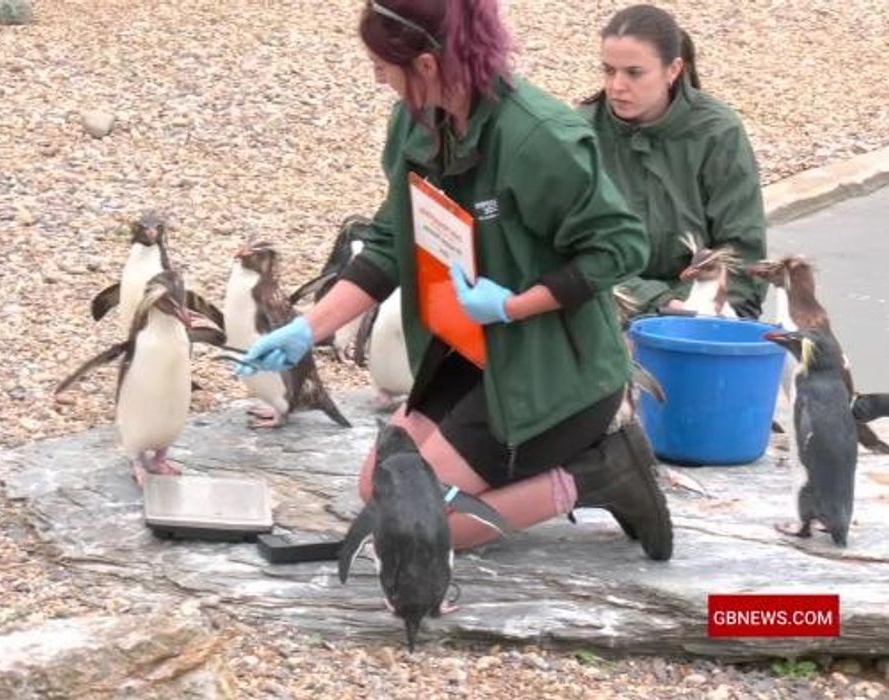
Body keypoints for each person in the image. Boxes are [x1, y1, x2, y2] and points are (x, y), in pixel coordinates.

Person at [236, 0, 673, 560]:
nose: (378, 77)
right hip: (470, 353)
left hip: (551, 373)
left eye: (383, 66)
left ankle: (603, 472)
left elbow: (622, 246)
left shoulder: (537, 139)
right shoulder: (419, 120)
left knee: (409, 526)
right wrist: (307, 329)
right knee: (378, 492)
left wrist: (513, 306)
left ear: (425, 65)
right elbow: (391, 241)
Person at [580, 4, 768, 319]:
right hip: (611, 305)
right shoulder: (580, 136)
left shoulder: (718, 133)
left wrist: (696, 307)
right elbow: (572, 252)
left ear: (673, 69)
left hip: (704, 308)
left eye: (634, 73)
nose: (616, 86)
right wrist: (655, 302)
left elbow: (742, 253)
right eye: (609, 70)